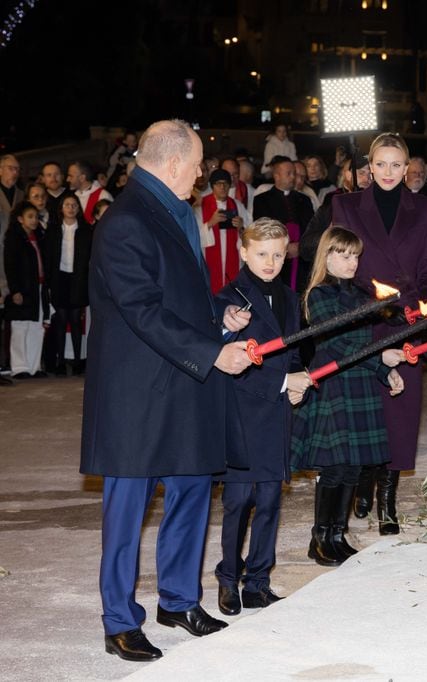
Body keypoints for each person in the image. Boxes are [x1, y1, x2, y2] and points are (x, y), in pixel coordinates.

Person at [80, 119, 254, 662]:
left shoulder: (174, 211)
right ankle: (118, 620)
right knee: (127, 511)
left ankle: (178, 599)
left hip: (183, 383)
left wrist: (215, 315)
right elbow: (141, 309)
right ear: (174, 161)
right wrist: (211, 352)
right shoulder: (125, 220)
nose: (202, 172)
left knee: (191, 493)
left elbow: (176, 293)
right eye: (198, 162)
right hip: (138, 394)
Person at [329, 132, 427, 535]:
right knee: (365, 408)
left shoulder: (425, 208)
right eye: (382, 164)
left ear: (408, 166)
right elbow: (341, 264)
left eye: (398, 164)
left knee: (400, 409)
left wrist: (421, 307)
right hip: (364, 317)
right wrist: (370, 305)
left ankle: (388, 502)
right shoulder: (345, 205)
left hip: (408, 320)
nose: (390, 172)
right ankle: (363, 479)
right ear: (369, 167)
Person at [213, 218, 311, 616]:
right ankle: (227, 578)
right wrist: (284, 379)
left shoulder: (289, 297)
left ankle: (258, 581)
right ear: (243, 252)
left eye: (277, 254)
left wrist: (299, 380)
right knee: (238, 500)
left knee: (269, 499)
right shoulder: (228, 298)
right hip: (242, 411)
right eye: (261, 254)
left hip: (275, 412)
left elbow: (295, 349)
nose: (270, 262)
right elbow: (231, 358)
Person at [291, 226, 406, 557]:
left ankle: (338, 534)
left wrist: (386, 368)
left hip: (359, 383)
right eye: (343, 254)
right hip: (333, 384)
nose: (351, 261)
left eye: (355, 255)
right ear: (326, 256)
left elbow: (365, 343)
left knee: (353, 466)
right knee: (334, 466)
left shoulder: (360, 295)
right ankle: (320, 538)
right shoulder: (319, 295)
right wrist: (382, 361)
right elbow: (342, 342)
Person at [44, 194, 92, 376]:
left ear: (78, 209)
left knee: (76, 321)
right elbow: (48, 256)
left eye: (74, 205)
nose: (71, 208)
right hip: (59, 279)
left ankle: (79, 361)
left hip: (78, 279)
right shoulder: (54, 230)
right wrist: (48, 281)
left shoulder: (86, 230)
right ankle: (61, 361)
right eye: (67, 205)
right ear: (61, 208)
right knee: (61, 321)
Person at [253, 156, 314, 291]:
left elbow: (311, 228)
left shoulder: (304, 200)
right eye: (288, 173)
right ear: (277, 176)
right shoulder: (262, 200)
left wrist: (301, 247)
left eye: (294, 173)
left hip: (301, 260)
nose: (293, 177)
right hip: (275, 260)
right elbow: (262, 230)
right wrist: (284, 248)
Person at [4, 201, 49, 378]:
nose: (34, 221)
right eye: (30, 217)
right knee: (20, 327)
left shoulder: (39, 236)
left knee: (36, 327)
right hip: (22, 289)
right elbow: (10, 265)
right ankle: (20, 367)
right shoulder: (13, 238)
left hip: (38, 287)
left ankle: (34, 366)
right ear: (20, 219)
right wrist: (15, 290)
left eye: (36, 217)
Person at [197, 168, 252, 293]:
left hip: (233, 260)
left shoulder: (238, 205)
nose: (222, 187)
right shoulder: (200, 205)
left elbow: (250, 236)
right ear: (212, 186)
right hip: (208, 258)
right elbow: (193, 236)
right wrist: (211, 223)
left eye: (225, 183)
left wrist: (241, 228)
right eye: (218, 184)